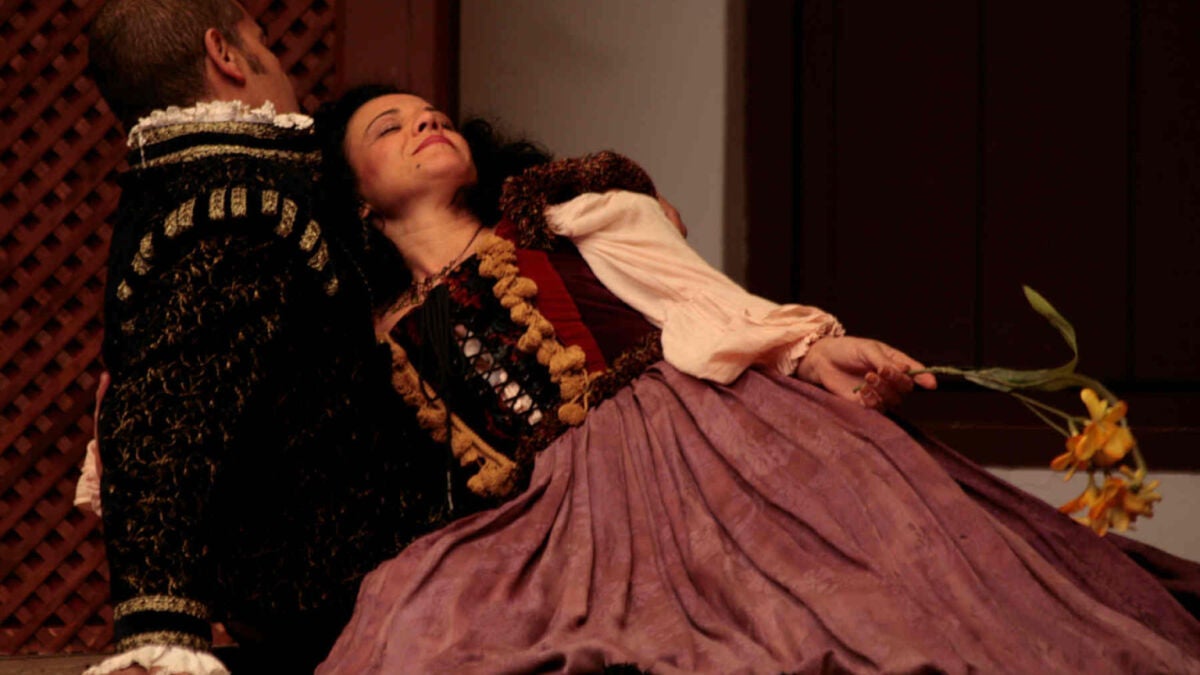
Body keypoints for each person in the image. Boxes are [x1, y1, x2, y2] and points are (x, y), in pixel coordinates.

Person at [308, 85, 1200, 674]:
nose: (425, 122)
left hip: (701, 435)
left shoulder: (552, 216)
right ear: (357, 196)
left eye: (433, 113)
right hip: (560, 509)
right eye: (390, 127)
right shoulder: (382, 336)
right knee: (414, 609)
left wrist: (808, 352)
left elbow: (698, 299)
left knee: (875, 601)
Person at [83, 4, 449, 674]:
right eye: (265, 42)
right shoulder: (235, 200)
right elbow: (162, 412)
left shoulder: (197, 183)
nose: (279, 63)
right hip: (347, 595)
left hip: (349, 581)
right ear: (224, 54)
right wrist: (160, 630)